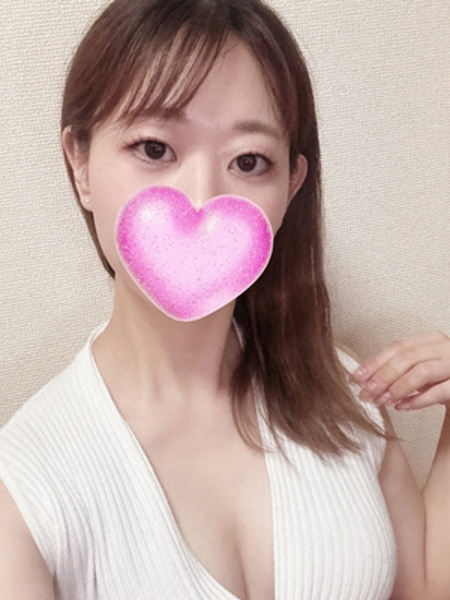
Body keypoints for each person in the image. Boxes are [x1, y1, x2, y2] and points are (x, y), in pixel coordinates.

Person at [0, 0, 449, 598]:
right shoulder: (23, 489)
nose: (202, 196)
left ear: (290, 187)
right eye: (154, 148)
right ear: (80, 164)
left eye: (249, 161)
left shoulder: (345, 393)